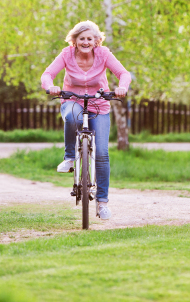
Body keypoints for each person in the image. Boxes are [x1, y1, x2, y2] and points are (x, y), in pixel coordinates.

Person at [41, 20, 131, 220]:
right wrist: (51, 86)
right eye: (81, 38)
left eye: (90, 38)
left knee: (102, 153)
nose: (85, 42)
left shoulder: (103, 54)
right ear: (74, 40)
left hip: (99, 104)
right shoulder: (66, 54)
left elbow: (123, 73)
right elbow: (48, 74)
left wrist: (122, 87)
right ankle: (70, 157)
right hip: (73, 101)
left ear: (96, 41)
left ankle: (102, 203)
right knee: (72, 115)